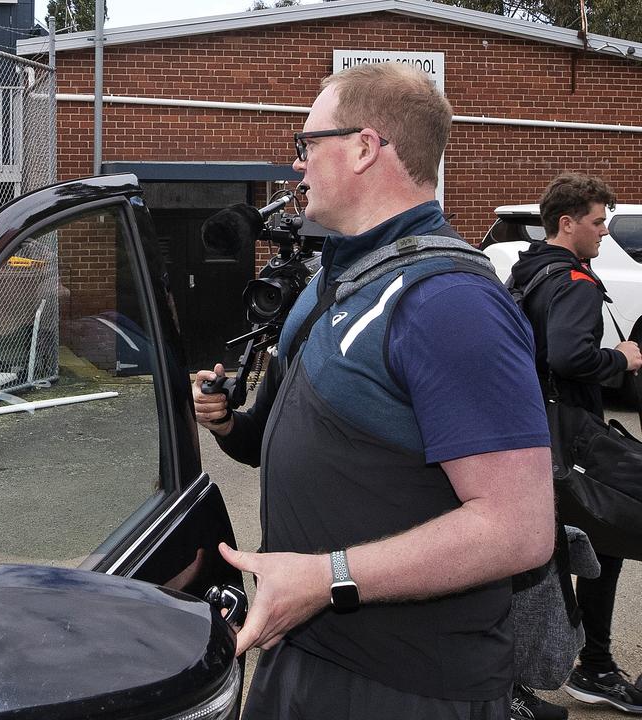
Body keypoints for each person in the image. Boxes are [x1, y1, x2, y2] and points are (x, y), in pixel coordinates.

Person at [191, 62, 554, 719]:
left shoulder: (451, 302)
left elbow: (520, 528)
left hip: (402, 687)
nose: (297, 166)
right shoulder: (337, 281)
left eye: (307, 145)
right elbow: (307, 441)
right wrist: (226, 425)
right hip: (306, 653)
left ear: (363, 147)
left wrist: (328, 577)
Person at [508, 173, 642, 716]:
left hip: (527, 428)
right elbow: (569, 357)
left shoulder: (527, 272)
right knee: (605, 537)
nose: (605, 232)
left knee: (540, 549)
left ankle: (549, 667)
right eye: (597, 221)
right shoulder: (574, 283)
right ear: (568, 224)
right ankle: (596, 666)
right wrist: (623, 359)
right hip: (569, 438)